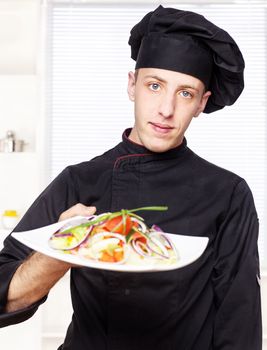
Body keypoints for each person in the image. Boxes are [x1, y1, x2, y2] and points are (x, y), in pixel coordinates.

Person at [0, 5, 262, 350]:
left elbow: (239, 322)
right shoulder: (78, 181)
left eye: (185, 93)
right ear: (132, 85)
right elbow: (6, 296)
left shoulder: (228, 193)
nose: (166, 109)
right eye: (154, 86)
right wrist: (60, 247)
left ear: (201, 103)